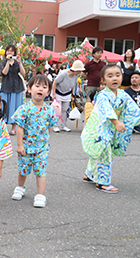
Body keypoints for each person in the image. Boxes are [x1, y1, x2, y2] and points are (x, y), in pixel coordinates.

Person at [81, 64, 140, 192]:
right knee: (105, 152)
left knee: (99, 151)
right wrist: (116, 122)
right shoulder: (102, 95)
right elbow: (106, 110)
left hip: (109, 128)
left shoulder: (122, 94)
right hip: (98, 129)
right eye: (110, 76)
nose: (114, 78)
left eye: (117, 75)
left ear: (122, 77)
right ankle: (102, 182)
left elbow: (133, 110)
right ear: (102, 80)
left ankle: (89, 174)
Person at [11, 74, 57, 208]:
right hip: (26, 146)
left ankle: (40, 195)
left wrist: (46, 142)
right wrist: (19, 145)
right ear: (29, 89)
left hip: (42, 148)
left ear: (48, 92)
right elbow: (19, 127)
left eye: (44, 87)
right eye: (37, 86)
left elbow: (48, 127)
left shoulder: (49, 110)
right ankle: (20, 187)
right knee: (23, 169)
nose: (40, 89)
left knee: (41, 171)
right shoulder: (24, 108)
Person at [0, 45, 27, 135]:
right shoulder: (3, 63)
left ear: (15, 53)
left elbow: (23, 73)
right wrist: (8, 61)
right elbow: (4, 72)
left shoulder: (17, 62)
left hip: (17, 87)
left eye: (12, 51)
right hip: (6, 87)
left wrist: (19, 63)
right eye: (8, 51)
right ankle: (3, 127)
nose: (10, 52)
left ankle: (14, 128)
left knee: (16, 108)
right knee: (3, 107)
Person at [51, 60, 84, 132]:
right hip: (58, 92)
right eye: (79, 70)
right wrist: (53, 94)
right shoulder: (63, 73)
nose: (79, 72)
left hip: (67, 93)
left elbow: (73, 84)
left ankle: (63, 125)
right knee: (57, 110)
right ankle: (55, 126)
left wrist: (72, 93)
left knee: (64, 110)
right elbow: (55, 83)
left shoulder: (76, 75)